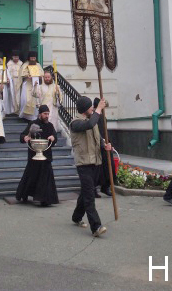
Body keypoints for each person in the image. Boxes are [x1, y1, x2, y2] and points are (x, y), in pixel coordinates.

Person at [70, 96, 111, 237]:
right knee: (89, 196)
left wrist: (104, 145)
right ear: (84, 110)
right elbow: (90, 125)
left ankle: (76, 216)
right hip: (84, 164)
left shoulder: (90, 120)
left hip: (95, 162)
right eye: (90, 107)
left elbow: (97, 137)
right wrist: (99, 109)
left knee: (86, 192)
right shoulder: (75, 123)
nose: (92, 109)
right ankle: (96, 226)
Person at [15, 105, 59, 206]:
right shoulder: (32, 124)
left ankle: (45, 199)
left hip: (46, 156)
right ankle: (24, 194)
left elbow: (55, 137)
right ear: (40, 114)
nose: (47, 116)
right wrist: (25, 138)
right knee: (31, 177)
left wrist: (53, 137)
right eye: (45, 114)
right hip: (34, 157)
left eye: (48, 114)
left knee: (45, 179)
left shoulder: (50, 125)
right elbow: (22, 136)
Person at [92, 98, 115, 198]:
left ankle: (105, 186)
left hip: (105, 145)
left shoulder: (103, 117)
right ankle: (94, 189)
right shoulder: (94, 118)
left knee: (108, 167)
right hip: (98, 146)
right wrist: (102, 142)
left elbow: (105, 131)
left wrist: (108, 142)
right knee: (97, 169)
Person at [17, 51, 44, 121]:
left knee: (35, 100)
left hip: (35, 84)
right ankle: (24, 116)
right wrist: (27, 75)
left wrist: (40, 76)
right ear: (29, 58)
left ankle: (33, 117)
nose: (32, 59)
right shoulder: (25, 65)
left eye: (34, 58)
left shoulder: (38, 65)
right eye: (31, 58)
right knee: (26, 100)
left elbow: (42, 73)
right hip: (28, 84)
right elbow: (22, 73)